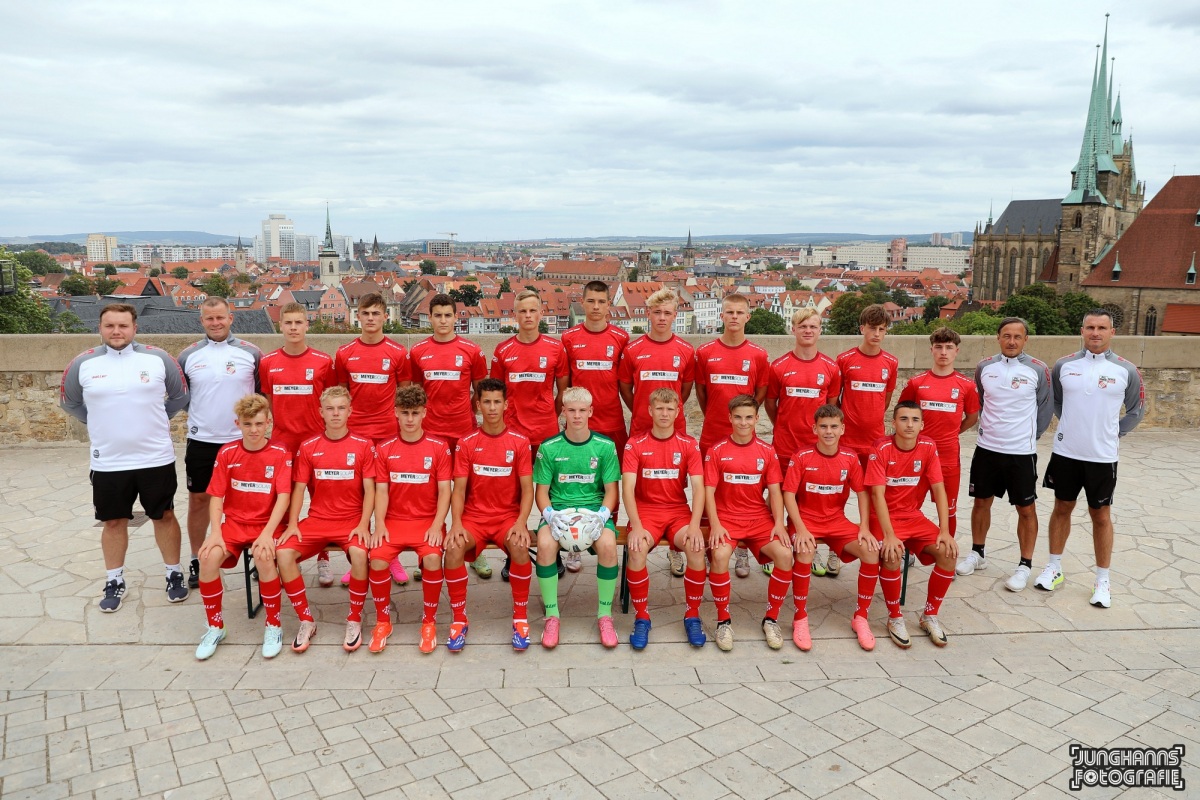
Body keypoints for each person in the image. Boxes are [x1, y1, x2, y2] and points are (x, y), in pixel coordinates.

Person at [60, 303, 190, 612]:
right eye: (110, 326)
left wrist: (156, 417)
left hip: (155, 457)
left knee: (164, 516)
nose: (116, 331)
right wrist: (100, 423)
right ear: (100, 328)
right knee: (113, 521)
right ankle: (114, 580)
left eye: (123, 326)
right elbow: (71, 403)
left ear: (135, 328)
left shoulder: (158, 359)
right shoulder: (83, 364)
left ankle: (174, 573)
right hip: (109, 460)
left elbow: (180, 396)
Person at [1040, 309, 1144, 608]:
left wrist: (1114, 434)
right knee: (1062, 508)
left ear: (1112, 332)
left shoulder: (1127, 370)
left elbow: (1136, 410)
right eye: (1090, 327)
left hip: (1102, 457)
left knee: (1100, 516)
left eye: (1101, 328)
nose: (1095, 333)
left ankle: (1102, 580)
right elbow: (1057, 400)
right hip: (1066, 452)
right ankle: (1054, 568)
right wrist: (1070, 424)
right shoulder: (1064, 365)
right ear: (1082, 330)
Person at [275, 387, 377, 653]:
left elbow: (370, 490)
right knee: (284, 554)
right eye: (330, 408)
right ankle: (306, 620)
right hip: (317, 520)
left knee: (358, 553)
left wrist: (364, 523)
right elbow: (298, 488)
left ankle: (354, 619)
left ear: (350, 411)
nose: (335, 413)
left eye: (341, 408)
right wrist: (294, 523)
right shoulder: (309, 446)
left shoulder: (364, 445)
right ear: (321, 412)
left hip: (351, 521)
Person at [194, 394, 293, 660]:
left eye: (259, 424)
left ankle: (273, 625)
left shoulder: (280, 453)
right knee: (207, 558)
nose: (254, 430)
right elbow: (217, 496)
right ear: (238, 423)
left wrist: (267, 534)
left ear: (269, 423)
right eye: (248, 424)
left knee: (262, 556)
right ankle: (216, 626)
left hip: (267, 524)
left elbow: (284, 497)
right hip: (235, 524)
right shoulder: (227, 452)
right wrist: (215, 532)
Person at [441, 378, 535, 651]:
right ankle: (459, 620)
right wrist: (456, 524)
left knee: (519, 545)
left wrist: (520, 522)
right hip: (474, 518)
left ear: (506, 404)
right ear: (478, 404)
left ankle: (520, 618)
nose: (492, 408)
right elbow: (458, 490)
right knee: (454, 548)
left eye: (497, 402)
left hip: (507, 517)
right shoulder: (466, 442)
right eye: (486, 402)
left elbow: (528, 490)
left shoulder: (519, 441)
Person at [961, 317, 1053, 592]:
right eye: (1006, 336)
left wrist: (1028, 438)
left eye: (1017, 336)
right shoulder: (984, 367)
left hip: (1020, 454)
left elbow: (1045, 409)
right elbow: (979, 402)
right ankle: (978, 553)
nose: (1011, 341)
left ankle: (1025, 565)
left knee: (1026, 509)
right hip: (987, 449)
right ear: (998, 338)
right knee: (981, 503)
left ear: (1026, 340)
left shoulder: (1038, 369)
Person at [177, 297, 262, 590]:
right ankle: (197, 557)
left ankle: (258, 556)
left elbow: (262, 397)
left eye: (220, 318)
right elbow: (182, 397)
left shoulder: (251, 353)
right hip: (202, 440)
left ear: (231, 318)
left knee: (251, 500)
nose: (215, 323)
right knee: (199, 500)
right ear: (201, 321)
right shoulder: (188, 356)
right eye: (209, 318)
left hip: (244, 441)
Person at [782, 404, 880, 651]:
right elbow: (788, 495)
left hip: (836, 521)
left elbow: (862, 493)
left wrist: (865, 526)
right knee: (805, 552)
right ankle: (800, 617)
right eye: (823, 426)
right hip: (805, 521)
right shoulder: (801, 456)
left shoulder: (850, 458)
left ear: (842, 429)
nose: (828, 431)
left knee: (870, 551)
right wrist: (800, 529)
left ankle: (860, 617)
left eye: (834, 426)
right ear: (814, 428)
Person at [408, 293, 490, 580]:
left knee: (467, 492)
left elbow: (481, 392)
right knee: (430, 494)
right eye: (437, 315)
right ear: (429, 318)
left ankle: (473, 552)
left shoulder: (472, 350)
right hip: (430, 434)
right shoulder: (418, 351)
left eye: (448, 315)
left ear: (456, 318)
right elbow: (415, 393)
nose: (443, 320)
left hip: (464, 432)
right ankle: (428, 553)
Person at [703, 395, 794, 652]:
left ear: (757, 418)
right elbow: (708, 492)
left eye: (748, 417)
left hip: (758, 520)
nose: (743, 422)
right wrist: (716, 524)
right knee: (719, 556)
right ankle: (723, 621)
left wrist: (778, 522)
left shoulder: (767, 451)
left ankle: (771, 619)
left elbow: (775, 491)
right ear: (730, 418)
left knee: (785, 555)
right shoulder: (716, 451)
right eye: (738, 417)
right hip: (727, 519)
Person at [489, 289, 569, 582]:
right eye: (522, 311)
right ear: (515, 315)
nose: (528, 316)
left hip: (546, 433)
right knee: (512, 494)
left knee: (553, 494)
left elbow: (562, 390)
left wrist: (549, 413)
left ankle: (555, 551)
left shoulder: (555, 348)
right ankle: (514, 554)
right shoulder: (502, 350)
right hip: (512, 435)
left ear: (541, 314)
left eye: (533, 311)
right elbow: (495, 393)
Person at [533, 388, 621, 648]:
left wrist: (603, 515)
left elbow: (612, 491)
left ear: (591, 411)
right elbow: (541, 493)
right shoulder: (549, 448)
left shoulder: (605, 446)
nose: (577, 415)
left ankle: (605, 615)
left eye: (582, 410)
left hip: (594, 512)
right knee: (546, 545)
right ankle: (552, 616)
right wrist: (550, 515)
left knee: (607, 546)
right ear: (563, 412)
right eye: (571, 410)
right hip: (559, 512)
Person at [334, 292, 411, 586]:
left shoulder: (396, 352)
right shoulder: (344, 352)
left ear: (385, 318)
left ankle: (389, 556)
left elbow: (404, 395)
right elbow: (341, 394)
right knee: (357, 496)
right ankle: (359, 556)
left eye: (376, 314)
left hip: (389, 434)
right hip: (355, 436)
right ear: (357, 316)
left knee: (387, 495)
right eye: (365, 313)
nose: (370, 319)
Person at [866, 401, 958, 648]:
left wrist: (945, 531)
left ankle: (929, 615)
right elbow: (876, 495)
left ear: (922, 424)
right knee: (892, 553)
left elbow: (939, 489)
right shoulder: (881, 447)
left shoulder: (928, 446)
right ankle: (894, 617)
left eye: (915, 420)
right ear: (893, 423)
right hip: (883, 518)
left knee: (949, 552)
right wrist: (889, 535)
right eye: (904, 419)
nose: (909, 425)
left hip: (913, 517)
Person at [621, 388, 707, 650]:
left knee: (696, 546)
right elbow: (627, 488)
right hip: (646, 513)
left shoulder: (688, 444)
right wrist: (635, 525)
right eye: (659, 408)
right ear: (650, 410)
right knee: (636, 549)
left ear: (678, 412)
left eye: (670, 408)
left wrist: (694, 526)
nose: (664, 413)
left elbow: (699, 488)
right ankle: (642, 617)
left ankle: (692, 614)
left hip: (677, 511)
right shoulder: (634, 444)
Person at [618, 287, 695, 577]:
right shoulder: (633, 349)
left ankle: (676, 550)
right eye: (656, 312)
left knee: (674, 485)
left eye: (667, 313)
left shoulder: (686, 350)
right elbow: (626, 387)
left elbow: (684, 390)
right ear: (648, 314)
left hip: (675, 431)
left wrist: (668, 414)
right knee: (642, 486)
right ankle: (643, 534)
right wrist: (641, 409)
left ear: (675, 316)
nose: (662, 318)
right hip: (641, 428)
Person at [370, 385, 452, 653]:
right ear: (395, 413)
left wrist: (438, 524)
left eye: (415, 413)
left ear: (424, 413)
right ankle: (383, 621)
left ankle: (428, 621)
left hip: (427, 520)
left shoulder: (438, 447)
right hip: (394, 520)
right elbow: (381, 490)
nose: (409, 419)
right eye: (404, 412)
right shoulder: (384, 449)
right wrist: (379, 523)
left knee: (431, 558)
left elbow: (444, 491)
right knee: (378, 558)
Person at [258, 302, 336, 586]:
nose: (293, 328)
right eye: (288, 323)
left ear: (307, 325)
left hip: (315, 443)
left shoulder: (322, 361)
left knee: (321, 502)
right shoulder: (268, 362)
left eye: (298, 323)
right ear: (281, 326)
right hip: (282, 443)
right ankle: (278, 553)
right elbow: (267, 401)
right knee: (281, 500)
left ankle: (323, 559)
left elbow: (331, 400)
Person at [695, 294, 770, 580]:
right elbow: (701, 392)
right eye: (729, 312)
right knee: (707, 492)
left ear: (748, 317)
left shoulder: (758, 354)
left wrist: (743, 420)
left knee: (749, 490)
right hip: (712, 434)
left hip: (745, 440)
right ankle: (705, 545)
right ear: (721, 316)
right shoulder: (705, 352)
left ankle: (741, 549)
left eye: (740, 312)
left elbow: (759, 394)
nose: (735, 317)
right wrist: (716, 415)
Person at [766, 306, 842, 577]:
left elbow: (831, 408)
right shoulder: (779, 366)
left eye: (813, 326)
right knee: (775, 496)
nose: (808, 331)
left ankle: (808, 547)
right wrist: (784, 426)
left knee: (810, 500)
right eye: (803, 326)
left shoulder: (831, 368)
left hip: (816, 448)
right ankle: (772, 547)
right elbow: (771, 403)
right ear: (793, 330)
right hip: (785, 444)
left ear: (820, 330)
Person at [560, 280, 629, 574]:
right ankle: (573, 543)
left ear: (608, 305)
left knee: (609, 483)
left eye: (602, 302)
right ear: (583, 303)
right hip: (577, 425)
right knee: (574, 481)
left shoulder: (621, 337)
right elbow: (562, 384)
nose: (597, 307)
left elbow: (626, 382)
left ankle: (605, 534)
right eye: (592, 302)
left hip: (612, 421)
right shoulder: (569, 337)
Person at [833, 303, 898, 578]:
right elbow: (835, 399)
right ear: (862, 329)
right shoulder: (844, 359)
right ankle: (835, 551)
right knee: (836, 495)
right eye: (872, 328)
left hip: (874, 443)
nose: (877, 334)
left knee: (874, 496)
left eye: (882, 330)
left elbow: (885, 400)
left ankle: (873, 546)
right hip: (846, 441)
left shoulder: (890, 363)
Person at [898, 327, 980, 539]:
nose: (943, 352)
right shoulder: (917, 383)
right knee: (909, 506)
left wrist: (953, 433)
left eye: (949, 347)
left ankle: (946, 553)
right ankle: (909, 549)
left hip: (948, 457)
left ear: (957, 351)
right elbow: (902, 414)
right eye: (939, 347)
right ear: (931, 350)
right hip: (916, 456)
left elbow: (972, 417)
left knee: (948, 510)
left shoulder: (966, 386)